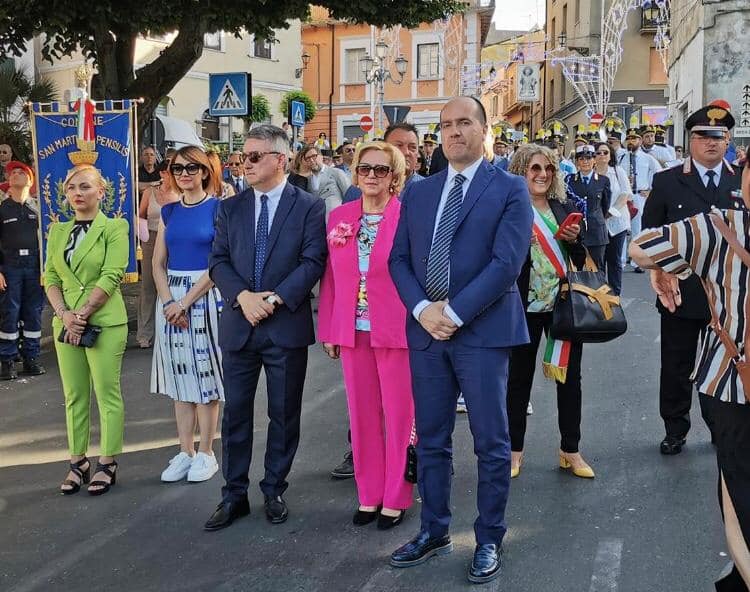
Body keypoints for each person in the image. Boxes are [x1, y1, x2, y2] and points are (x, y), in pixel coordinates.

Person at [388, 96, 532, 584]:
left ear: (485, 129)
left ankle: (489, 536)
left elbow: (506, 264)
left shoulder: (510, 188)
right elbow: (398, 262)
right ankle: (434, 530)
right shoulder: (419, 192)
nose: (453, 132)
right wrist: (423, 310)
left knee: (491, 441)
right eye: (446, 125)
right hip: (427, 333)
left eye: (464, 123)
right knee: (431, 439)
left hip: (483, 333)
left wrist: (452, 311)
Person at [629, 152, 750, 592]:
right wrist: (662, 269)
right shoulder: (714, 221)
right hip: (727, 371)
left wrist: (657, 264)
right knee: (738, 484)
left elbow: (641, 246)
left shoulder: (723, 223)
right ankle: (674, 426)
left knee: (738, 487)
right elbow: (644, 239)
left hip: (731, 374)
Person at [204, 125, 326, 531]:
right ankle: (233, 494)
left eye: (255, 156)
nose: (246, 163)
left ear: (281, 159)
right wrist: (244, 298)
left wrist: (271, 299)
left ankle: (274, 487)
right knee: (236, 414)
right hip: (240, 324)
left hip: (283, 325)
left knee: (283, 413)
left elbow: (312, 262)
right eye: (244, 155)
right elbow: (218, 261)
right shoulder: (230, 207)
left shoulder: (308, 206)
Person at [318, 141, 414, 529]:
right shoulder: (340, 216)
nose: (372, 176)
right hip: (352, 330)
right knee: (361, 417)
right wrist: (329, 328)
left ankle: (396, 495)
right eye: (364, 169)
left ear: (395, 177)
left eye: (381, 169)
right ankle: (369, 493)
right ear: (355, 173)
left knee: (399, 415)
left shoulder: (406, 217)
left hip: (396, 330)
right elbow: (329, 279)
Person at [641, 103, 742, 456]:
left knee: (727, 366)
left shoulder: (740, 179)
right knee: (677, 364)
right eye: (703, 136)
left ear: (727, 139)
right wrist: (660, 269)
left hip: (729, 297)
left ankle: (720, 428)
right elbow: (649, 233)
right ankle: (675, 427)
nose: (711, 143)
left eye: (719, 136)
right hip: (681, 291)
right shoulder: (668, 181)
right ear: (691, 139)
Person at [505, 144, 591, 479]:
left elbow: (581, 260)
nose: (542, 175)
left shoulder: (563, 206)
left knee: (570, 380)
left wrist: (573, 240)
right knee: (518, 381)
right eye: (534, 168)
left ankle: (571, 449)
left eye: (548, 169)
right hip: (521, 306)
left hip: (562, 307)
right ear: (521, 171)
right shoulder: (509, 208)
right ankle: (514, 450)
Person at [44, 164, 129, 495]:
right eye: (71, 189)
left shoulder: (115, 227)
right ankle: (77, 461)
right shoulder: (57, 231)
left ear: (101, 192)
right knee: (74, 395)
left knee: (106, 392)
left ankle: (107, 461)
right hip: (65, 323)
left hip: (105, 320)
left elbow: (112, 274)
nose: (77, 194)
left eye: (84, 187)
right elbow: (50, 276)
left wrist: (83, 313)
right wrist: (65, 314)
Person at [150, 146, 225, 483]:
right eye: (177, 168)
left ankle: (207, 452)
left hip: (205, 295)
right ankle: (185, 450)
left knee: (205, 375)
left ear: (205, 171)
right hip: (171, 296)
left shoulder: (219, 210)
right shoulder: (169, 212)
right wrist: (169, 303)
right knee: (180, 378)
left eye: (192, 167)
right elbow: (157, 263)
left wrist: (185, 303)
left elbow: (218, 263)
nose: (184, 173)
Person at [0, 161, 45, 379]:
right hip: (10, 266)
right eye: (13, 173)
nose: (16, 175)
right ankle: (7, 360)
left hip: (35, 266)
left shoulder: (38, 209)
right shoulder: (2, 209)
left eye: (21, 172)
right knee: (9, 312)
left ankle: (31, 357)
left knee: (33, 313)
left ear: (30, 179)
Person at [136, 159, 179, 349]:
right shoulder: (150, 192)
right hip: (151, 239)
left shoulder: (180, 193)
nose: (177, 175)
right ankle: (144, 334)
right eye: (172, 171)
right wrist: (144, 237)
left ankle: (170, 328)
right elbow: (140, 215)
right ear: (162, 173)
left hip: (175, 240)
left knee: (171, 284)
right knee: (148, 286)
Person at [342, 123, 424, 204]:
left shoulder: (429, 190)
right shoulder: (359, 190)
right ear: (384, 149)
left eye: (412, 147)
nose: (406, 152)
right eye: (399, 146)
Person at [617, 127, 662, 272]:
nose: (631, 142)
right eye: (629, 139)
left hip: (639, 196)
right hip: (624, 196)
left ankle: (637, 262)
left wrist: (651, 190)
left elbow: (660, 175)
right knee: (622, 227)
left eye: (634, 139)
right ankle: (621, 260)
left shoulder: (647, 158)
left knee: (638, 230)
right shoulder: (621, 157)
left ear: (640, 141)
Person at [594, 141, 632, 296]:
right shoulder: (590, 172)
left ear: (610, 155)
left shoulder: (618, 171)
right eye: (598, 152)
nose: (602, 155)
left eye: (605, 152)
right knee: (599, 261)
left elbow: (625, 193)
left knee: (614, 260)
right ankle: (600, 294)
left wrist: (610, 211)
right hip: (597, 224)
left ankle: (615, 294)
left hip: (617, 222)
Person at [565, 144, 611, 269]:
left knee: (598, 270)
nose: (585, 162)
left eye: (589, 158)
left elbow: (605, 206)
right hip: (576, 232)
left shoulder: (603, 180)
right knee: (576, 270)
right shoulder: (569, 180)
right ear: (577, 162)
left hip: (596, 232)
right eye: (581, 159)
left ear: (594, 160)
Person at [288, 144, 349, 219]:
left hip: (337, 222)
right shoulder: (308, 180)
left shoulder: (336, 173)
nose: (311, 160)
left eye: (314, 156)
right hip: (318, 223)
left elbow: (350, 196)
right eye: (308, 158)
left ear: (321, 156)